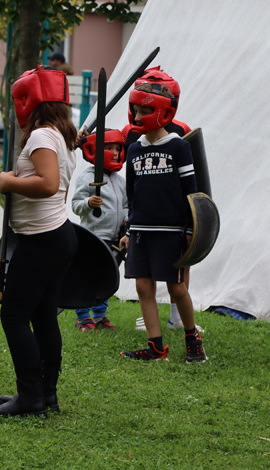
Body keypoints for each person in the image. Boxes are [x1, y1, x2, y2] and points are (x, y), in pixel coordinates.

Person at [0, 66, 78, 417]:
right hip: (56, 238)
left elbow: (48, 184)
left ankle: (30, 399)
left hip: (42, 241)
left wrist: (8, 182)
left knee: (14, 317)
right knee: (43, 317)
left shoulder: (42, 136)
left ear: (32, 102)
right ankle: (45, 395)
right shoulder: (60, 135)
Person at [118, 82, 206, 363]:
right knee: (143, 286)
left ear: (162, 112)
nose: (138, 115)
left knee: (176, 288)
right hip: (142, 231)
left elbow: (190, 190)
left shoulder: (179, 147)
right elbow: (132, 194)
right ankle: (156, 347)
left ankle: (193, 340)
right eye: (135, 109)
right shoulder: (133, 150)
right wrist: (129, 230)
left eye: (144, 110)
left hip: (171, 231)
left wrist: (191, 229)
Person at [70, 129, 129, 331]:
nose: (114, 152)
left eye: (117, 148)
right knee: (87, 277)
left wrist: (127, 218)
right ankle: (82, 316)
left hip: (114, 239)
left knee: (106, 279)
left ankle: (99, 316)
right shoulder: (86, 178)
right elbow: (76, 205)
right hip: (93, 238)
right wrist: (88, 202)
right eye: (109, 148)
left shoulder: (120, 181)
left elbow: (127, 205)